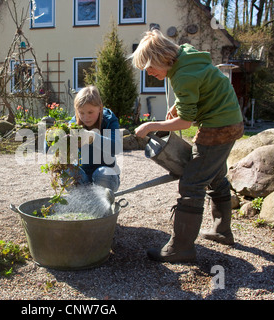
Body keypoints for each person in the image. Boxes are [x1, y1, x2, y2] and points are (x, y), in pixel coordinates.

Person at [131, 29, 244, 263]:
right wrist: (177, 109)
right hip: (230, 121)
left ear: (161, 57)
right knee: (215, 176)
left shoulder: (183, 76)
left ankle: (181, 249)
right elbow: (196, 97)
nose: (150, 73)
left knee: (192, 183)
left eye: (150, 67)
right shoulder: (186, 57)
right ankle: (222, 231)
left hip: (218, 128)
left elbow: (185, 122)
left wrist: (151, 125)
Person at [66, 85, 121, 192]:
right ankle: (82, 203)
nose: (86, 117)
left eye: (90, 112)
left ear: (100, 108)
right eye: (81, 113)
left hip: (107, 177)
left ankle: (103, 204)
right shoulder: (74, 123)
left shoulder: (109, 120)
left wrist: (92, 138)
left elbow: (117, 147)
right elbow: (51, 149)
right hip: (83, 177)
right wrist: (53, 140)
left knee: (102, 173)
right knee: (68, 172)